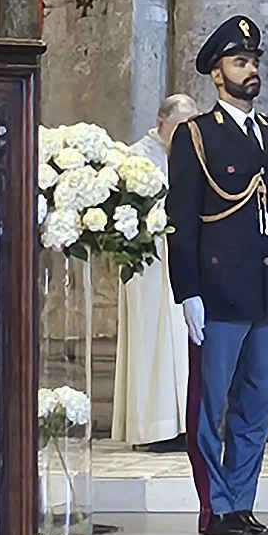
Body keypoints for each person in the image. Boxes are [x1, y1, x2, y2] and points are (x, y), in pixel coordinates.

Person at [165, 15, 268, 535]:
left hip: (267, 295)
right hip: (218, 294)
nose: (251, 70)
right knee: (209, 406)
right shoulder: (197, 136)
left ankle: (241, 502)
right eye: (240, 62)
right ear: (217, 74)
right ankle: (215, 507)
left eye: (254, 61)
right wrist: (188, 292)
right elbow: (182, 219)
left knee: (256, 406)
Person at [114, 93, 202, 455]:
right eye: (179, 127)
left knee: (182, 338)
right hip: (149, 264)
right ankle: (154, 424)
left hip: (182, 259)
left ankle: (184, 423)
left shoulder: (194, 159)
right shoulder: (138, 158)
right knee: (154, 340)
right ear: (161, 124)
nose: (185, 135)